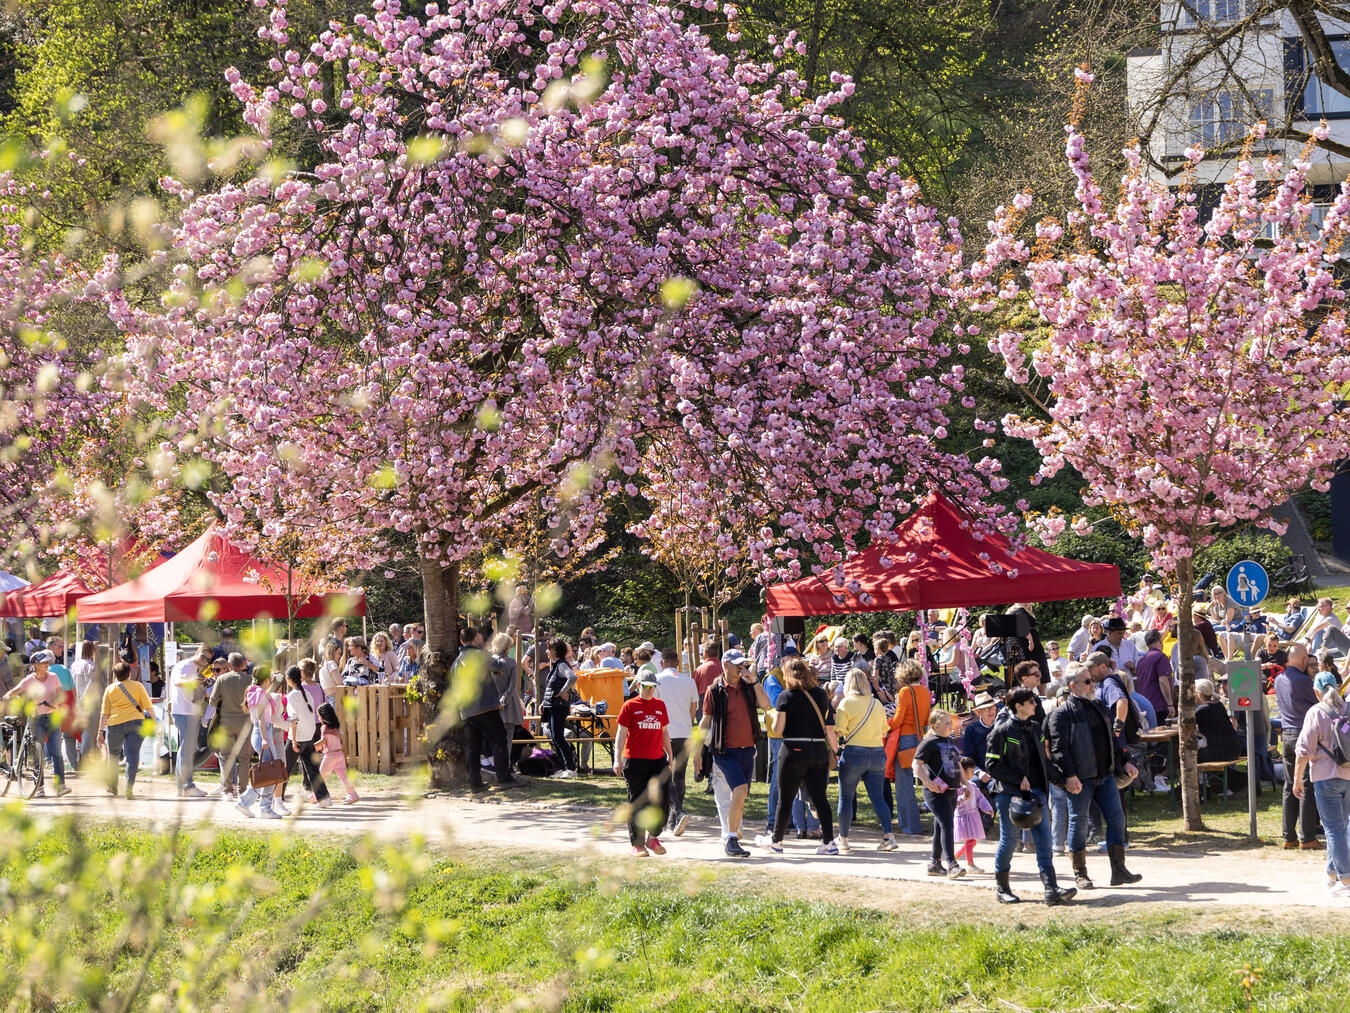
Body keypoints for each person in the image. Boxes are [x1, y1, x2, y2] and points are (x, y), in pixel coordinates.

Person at [1043, 662, 1141, 890]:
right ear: (1073, 686)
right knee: (1078, 824)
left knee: (1117, 819)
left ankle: (1119, 870)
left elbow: (1112, 740)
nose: (1092, 685)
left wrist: (1125, 761)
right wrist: (1069, 776)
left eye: (1092, 680)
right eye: (1088, 681)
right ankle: (1080, 873)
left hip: (1104, 776)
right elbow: (1059, 750)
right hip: (1080, 779)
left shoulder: (1098, 706)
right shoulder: (1062, 714)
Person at [985, 685, 1077, 905]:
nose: (1036, 704)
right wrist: (1018, 779)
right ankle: (1002, 888)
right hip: (1010, 794)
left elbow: (1044, 764)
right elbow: (991, 765)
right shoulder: (1002, 730)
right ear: (1019, 706)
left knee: (1044, 840)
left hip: (1037, 794)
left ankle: (1051, 888)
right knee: (1009, 840)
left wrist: (1064, 782)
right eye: (1032, 701)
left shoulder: (1035, 727)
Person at [694, 647, 771, 858]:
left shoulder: (748, 686)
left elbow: (766, 705)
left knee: (742, 793)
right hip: (725, 750)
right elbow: (705, 721)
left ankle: (733, 835)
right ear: (725, 665)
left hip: (748, 749)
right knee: (740, 789)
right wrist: (698, 751)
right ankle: (731, 839)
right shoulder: (715, 689)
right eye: (737, 664)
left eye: (743, 663)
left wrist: (754, 681)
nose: (741, 667)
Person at [759, 656, 836, 855]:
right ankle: (829, 842)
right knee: (820, 797)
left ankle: (777, 840)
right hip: (818, 748)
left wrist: (773, 714)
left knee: (786, 797)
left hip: (794, 749)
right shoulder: (820, 694)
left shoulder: (786, 696)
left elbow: (778, 728)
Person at [1294, 670, 1350, 895]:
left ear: (1316, 691)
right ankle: (1331, 874)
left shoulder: (1315, 712)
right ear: (1337, 686)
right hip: (1348, 775)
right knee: (1341, 826)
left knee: (1333, 829)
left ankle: (1346, 880)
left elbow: (1303, 749)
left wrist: (1297, 778)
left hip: (1325, 778)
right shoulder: (1347, 709)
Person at [832, 667, 896, 854]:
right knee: (878, 797)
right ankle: (889, 836)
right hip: (877, 752)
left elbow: (839, 730)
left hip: (854, 753)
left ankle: (843, 838)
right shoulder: (876, 704)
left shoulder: (846, 703)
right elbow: (885, 730)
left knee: (846, 796)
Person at [613, 671, 673, 857]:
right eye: (646, 686)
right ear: (638, 685)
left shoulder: (660, 705)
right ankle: (638, 844)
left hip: (657, 760)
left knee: (663, 798)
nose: (649, 690)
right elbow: (621, 733)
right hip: (635, 760)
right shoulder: (629, 706)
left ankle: (653, 836)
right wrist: (617, 758)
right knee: (637, 801)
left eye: (652, 686)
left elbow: (664, 732)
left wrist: (670, 755)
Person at [457, 628, 522, 794]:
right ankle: (504, 778)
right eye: (479, 635)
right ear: (473, 639)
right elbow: (497, 666)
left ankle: (475, 783)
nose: (481, 638)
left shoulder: (456, 661)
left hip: (466, 709)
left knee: (473, 747)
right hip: (485, 705)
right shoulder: (479, 655)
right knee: (499, 739)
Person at [2, 650, 72, 797]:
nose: (47, 664)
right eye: (43, 662)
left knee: (57, 753)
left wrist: (55, 701)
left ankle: (60, 786)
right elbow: (15, 691)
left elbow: (61, 695)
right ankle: (39, 787)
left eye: (47, 662)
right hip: (36, 718)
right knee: (37, 751)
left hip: (53, 716)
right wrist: (7, 696)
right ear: (35, 665)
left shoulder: (53, 677)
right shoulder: (29, 679)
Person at [1275, 643, 1322, 849]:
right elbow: (1319, 704)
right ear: (1303, 661)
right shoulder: (1303, 681)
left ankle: (1288, 836)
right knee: (1306, 785)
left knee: (1289, 785)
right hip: (1304, 735)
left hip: (1286, 735)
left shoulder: (1278, 680)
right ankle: (1307, 836)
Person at [914, 708, 964, 878]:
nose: (950, 726)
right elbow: (917, 766)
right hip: (935, 793)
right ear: (934, 726)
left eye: (951, 722)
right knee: (947, 826)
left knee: (940, 826)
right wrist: (928, 783)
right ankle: (952, 863)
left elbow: (958, 765)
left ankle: (934, 863)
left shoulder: (951, 741)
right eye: (946, 723)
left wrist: (966, 784)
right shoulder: (929, 743)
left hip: (951, 790)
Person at [655, 646, 698, 836]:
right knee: (679, 776)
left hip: (664, 733)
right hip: (684, 733)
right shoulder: (689, 681)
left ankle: (677, 812)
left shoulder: (656, 681)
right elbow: (693, 709)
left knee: (666, 775)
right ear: (678, 663)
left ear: (661, 663)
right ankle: (674, 818)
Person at [96, 660, 154, 800]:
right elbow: (148, 706)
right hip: (136, 722)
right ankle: (129, 788)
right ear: (129, 673)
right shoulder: (138, 686)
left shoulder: (110, 689)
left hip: (115, 723)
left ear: (115, 674)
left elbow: (104, 713)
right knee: (132, 755)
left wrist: (100, 731)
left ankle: (113, 785)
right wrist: (153, 720)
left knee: (113, 754)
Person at [885, 660, 930, 836]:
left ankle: (910, 827)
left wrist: (884, 723)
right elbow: (926, 719)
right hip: (919, 738)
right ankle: (909, 825)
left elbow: (897, 720)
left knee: (904, 787)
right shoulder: (925, 692)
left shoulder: (905, 691)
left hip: (904, 739)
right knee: (916, 782)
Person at [236, 668, 287, 819]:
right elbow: (261, 720)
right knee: (271, 774)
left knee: (268, 773)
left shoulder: (255, 692)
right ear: (266, 680)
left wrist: (268, 736)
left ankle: (249, 803)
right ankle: (261, 807)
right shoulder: (260, 695)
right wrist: (266, 738)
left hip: (262, 733)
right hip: (262, 732)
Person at [282, 664, 331, 808]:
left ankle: (277, 797)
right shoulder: (307, 694)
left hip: (298, 735)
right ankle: (324, 798)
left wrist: (294, 740)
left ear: (289, 679)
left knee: (286, 767)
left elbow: (294, 718)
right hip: (309, 734)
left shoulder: (292, 695)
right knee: (313, 769)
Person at [207, 652, 253, 799]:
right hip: (245, 723)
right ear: (243, 664)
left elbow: (212, 702)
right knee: (244, 759)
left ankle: (227, 791)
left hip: (226, 723)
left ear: (229, 665)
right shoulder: (250, 680)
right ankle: (242, 790)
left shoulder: (222, 679)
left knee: (226, 757)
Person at [168, 646, 212, 798]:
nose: (204, 660)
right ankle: (187, 786)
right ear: (196, 652)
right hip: (184, 712)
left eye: (207, 659)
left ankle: (183, 786)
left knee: (186, 749)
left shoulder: (193, 667)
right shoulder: (186, 665)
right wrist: (192, 681)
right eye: (203, 656)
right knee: (186, 750)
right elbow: (177, 681)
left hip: (188, 711)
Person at [541, 638, 578, 778]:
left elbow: (572, 677)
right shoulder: (555, 665)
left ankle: (571, 768)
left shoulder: (562, 664)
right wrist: (543, 703)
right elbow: (551, 687)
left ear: (555, 650)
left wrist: (563, 691)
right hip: (552, 705)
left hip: (559, 706)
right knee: (555, 738)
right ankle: (563, 769)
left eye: (548, 648)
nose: (546, 651)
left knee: (558, 737)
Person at [955, 756, 994, 873]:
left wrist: (988, 808)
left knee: (972, 841)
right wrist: (963, 798)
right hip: (963, 817)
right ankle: (970, 864)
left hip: (973, 817)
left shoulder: (973, 786)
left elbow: (980, 799)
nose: (973, 773)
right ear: (964, 771)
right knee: (970, 841)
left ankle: (956, 856)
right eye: (971, 770)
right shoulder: (957, 787)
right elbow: (954, 802)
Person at [316, 700, 359, 802]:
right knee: (344, 776)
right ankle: (352, 794)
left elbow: (323, 741)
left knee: (321, 777)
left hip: (329, 755)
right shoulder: (336, 727)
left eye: (319, 716)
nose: (318, 718)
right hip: (339, 754)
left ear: (323, 716)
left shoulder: (324, 728)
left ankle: (317, 796)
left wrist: (312, 746)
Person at [1132, 630, 1174, 723]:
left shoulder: (1141, 661)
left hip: (1144, 705)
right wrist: (1170, 704)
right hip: (1158, 705)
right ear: (1160, 640)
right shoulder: (1160, 657)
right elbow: (1163, 681)